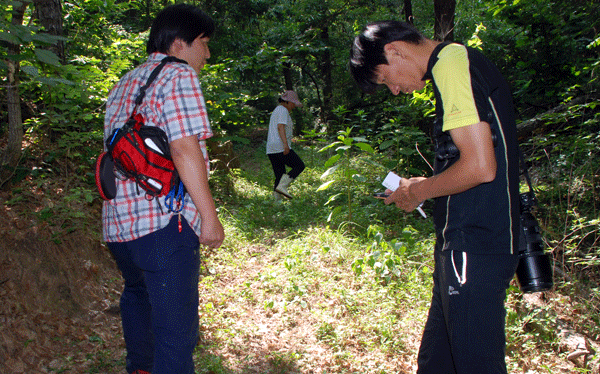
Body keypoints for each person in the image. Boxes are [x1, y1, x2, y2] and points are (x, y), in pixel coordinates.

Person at [350, 21, 520, 374]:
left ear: (394, 50)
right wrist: (421, 187)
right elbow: (473, 161)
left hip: (475, 243)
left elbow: (480, 168)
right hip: (462, 244)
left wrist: (418, 190)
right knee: (436, 361)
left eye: (385, 79)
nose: (394, 90)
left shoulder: (451, 63)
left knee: (475, 364)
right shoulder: (456, 63)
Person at [102, 4, 224, 374]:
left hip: (119, 225)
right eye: (203, 43)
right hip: (163, 224)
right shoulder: (178, 75)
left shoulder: (126, 81)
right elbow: (184, 149)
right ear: (179, 43)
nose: (207, 53)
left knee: (138, 302)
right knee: (175, 334)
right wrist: (209, 217)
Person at [266, 90, 306, 199]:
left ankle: (276, 203)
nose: (294, 106)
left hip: (271, 148)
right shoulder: (283, 110)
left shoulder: (277, 110)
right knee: (299, 165)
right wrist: (285, 144)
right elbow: (280, 127)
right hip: (280, 146)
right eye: (293, 103)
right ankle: (283, 186)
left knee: (279, 174)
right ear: (287, 102)